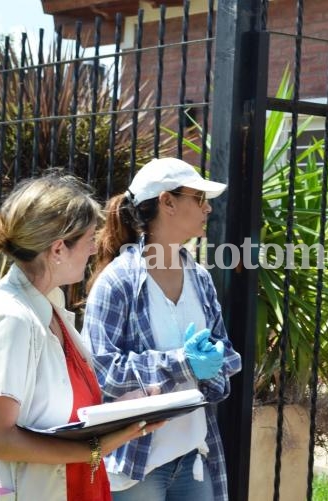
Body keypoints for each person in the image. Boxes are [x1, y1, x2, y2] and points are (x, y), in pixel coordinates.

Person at [0, 174, 164, 501]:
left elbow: (53, 411)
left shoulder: (48, 308)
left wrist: (120, 410)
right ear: (58, 248)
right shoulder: (9, 319)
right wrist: (97, 448)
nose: (94, 249)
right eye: (89, 238)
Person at [82, 157, 242, 501]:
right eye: (198, 199)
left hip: (195, 456)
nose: (208, 208)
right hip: (137, 466)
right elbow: (103, 372)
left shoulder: (199, 278)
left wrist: (213, 366)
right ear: (167, 201)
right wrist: (183, 363)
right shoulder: (118, 282)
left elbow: (226, 357)